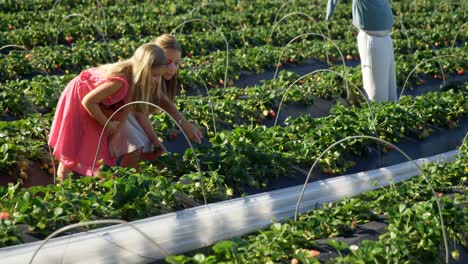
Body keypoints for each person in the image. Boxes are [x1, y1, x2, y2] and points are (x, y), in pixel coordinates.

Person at [48, 43, 170, 180]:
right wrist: (107, 124)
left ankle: (108, 183)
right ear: (143, 70)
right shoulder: (120, 82)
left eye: (159, 76)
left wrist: (113, 138)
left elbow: (124, 111)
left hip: (97, 105)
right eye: (154, 75)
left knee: (102, 147)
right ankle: (62, 185)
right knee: (74, 143)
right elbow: (88, 101)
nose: (156, 80)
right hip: (79, 98)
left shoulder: (135, 82)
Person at [113, 34, 203, 171]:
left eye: (177, 63)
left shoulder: (157, 76)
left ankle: (134, 180)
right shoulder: (144, 75)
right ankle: (125, 182)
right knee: (137, 146)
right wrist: (155, 137)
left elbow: (163, 102)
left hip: (126, 109)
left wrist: (183, 124)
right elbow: (140, 111)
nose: (172, 68)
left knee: (145, 145)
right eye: (168, 62)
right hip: (114, 106)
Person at [326, 0, 397, 102]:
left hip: (386, 36)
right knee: (377, 97)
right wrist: (329, 14)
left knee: (391, 95)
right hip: (372, 38)